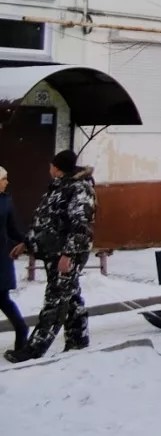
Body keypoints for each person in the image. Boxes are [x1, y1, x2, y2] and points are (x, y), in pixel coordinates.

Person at [6, 150, 94, 363]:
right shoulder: (59, 187)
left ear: (57, 167)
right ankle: (78, 341)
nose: (49, 168)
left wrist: (68, 254)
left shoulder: (79, 188)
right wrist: (27, 243)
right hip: (55, 252)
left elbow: (80, 224)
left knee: (55, 300)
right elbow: (47, 221)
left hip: (66, 254)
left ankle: (34, 350)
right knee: (70, 296)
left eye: (51, 165)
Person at [1, 165, 28, 358]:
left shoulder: (6, 201)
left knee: (2, 298)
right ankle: (21, 331)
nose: (7, 182)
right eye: (4, 179)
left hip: (1, 257)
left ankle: (21, 331)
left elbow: (12, 229)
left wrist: (26, 241)